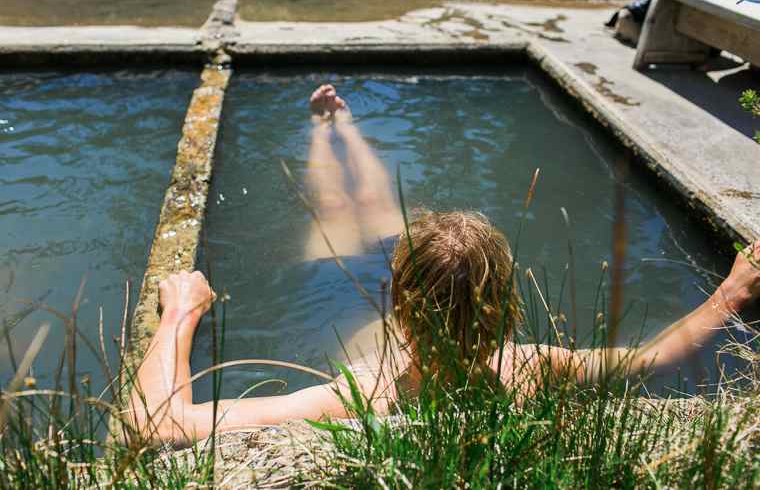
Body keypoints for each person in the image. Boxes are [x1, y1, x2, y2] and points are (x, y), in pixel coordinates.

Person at [128, 85, 760, 446]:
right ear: (508, 306)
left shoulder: (370, 395)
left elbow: (158, 427)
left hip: (340, 300)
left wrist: (181, 312)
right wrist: (728, 295)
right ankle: (341, 126)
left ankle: (325, 130)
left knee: (338, 207)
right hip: (409, 303)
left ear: (397, 297)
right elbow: (653, 356)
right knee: (371, 204)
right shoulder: (530, 366)